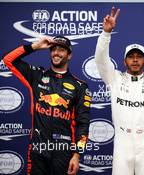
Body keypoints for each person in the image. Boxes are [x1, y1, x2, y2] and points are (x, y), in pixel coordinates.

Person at [95, 5, 144, 175]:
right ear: (124, 61)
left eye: (139, 57)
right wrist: (106, 34)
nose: (135, 60)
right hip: (122, 143)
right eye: (131, 57)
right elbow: (101, 60)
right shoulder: (114, 79)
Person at [3, 35, 91, 175]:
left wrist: (77, 154)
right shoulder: (36, 75)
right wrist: (35, 46)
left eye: (61, 50)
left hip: (64, 152)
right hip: (38, 149)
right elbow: (8, 59)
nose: (56, 53)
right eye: (53, 49)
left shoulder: (80, 86)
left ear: (69, 55)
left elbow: (83, 123)